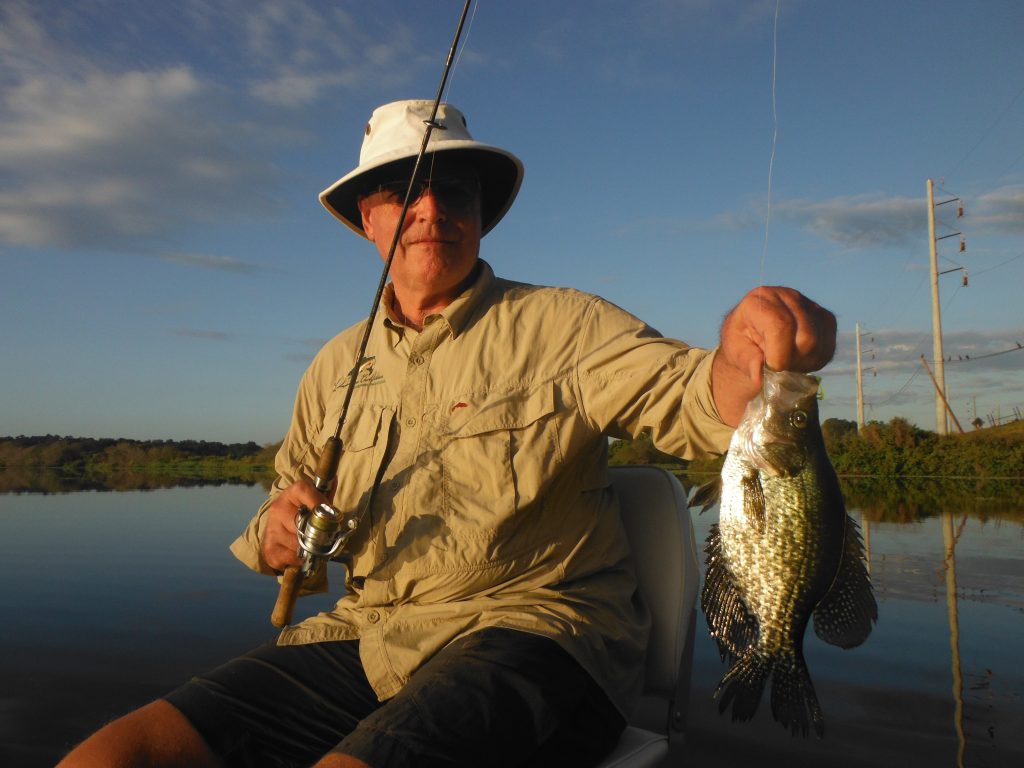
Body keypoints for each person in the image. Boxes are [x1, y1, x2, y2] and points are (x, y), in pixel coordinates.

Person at [60, 99, 836, 768]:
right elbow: (284, 506)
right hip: (370, 633)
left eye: (453, 191)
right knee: (114, 755)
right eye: (403, 192)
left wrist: (753, 356)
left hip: (542, 632)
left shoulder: (563, 325)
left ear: (478, 214)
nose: (432, 210)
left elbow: (699, 399)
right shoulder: (332, 369)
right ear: (369, 220)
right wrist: (275, 534)